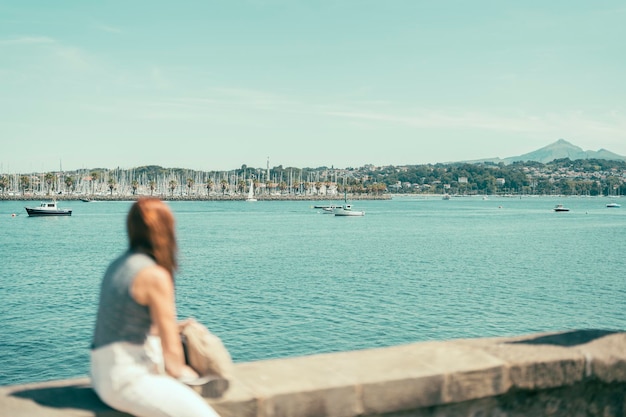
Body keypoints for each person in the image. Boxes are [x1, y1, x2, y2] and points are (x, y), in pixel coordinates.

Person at [91, 198, 220, 417]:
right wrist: (190, 375)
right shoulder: (154, 275)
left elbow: (127, 326)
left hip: (100, 374)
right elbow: (173, 358)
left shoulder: (118, 264)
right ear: (165, 229)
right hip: (127, 380)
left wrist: (176, 327)